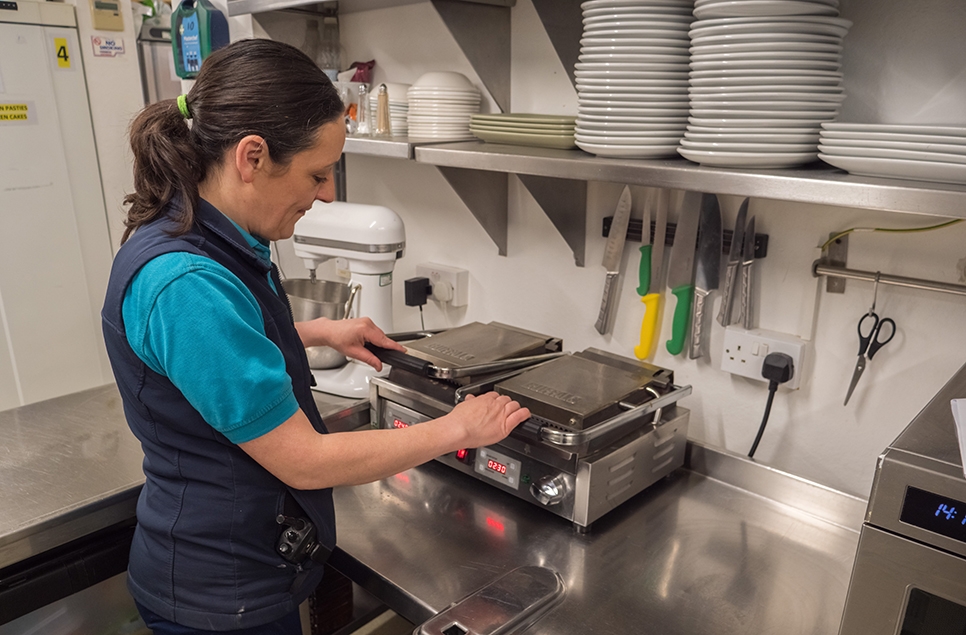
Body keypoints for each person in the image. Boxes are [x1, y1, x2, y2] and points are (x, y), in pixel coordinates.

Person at [101, 38, 531, 635]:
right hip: (221, 597)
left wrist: (312, 330)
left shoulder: (201, 233)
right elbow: (305, 461)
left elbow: (211, 349)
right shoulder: (186, 282)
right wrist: (459, 428)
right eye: (317, 172)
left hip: (234, 573)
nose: (327, 192)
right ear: (251, 157)